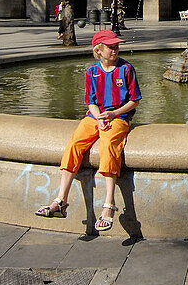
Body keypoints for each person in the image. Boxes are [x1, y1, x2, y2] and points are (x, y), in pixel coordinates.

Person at [35, 29, 139, 231]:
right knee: (75, 143)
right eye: (111, 46)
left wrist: (113, 114)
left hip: (118, 117)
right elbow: (90, 101)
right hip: (95, 116)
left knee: (109, 144)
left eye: (116, 45)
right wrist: (99, 116)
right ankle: (61, 199)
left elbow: (134, 101)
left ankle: (109, 203)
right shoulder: (92, 72)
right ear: (98, 50)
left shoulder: (126, 69)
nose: (115, 49)